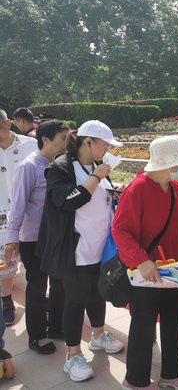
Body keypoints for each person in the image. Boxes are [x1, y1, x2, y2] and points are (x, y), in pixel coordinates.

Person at [112, 135, 178, 390]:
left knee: (172, 322)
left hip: (173, 270)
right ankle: (135, 381)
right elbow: (120, 230)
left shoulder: (176, 187)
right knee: (143, 327)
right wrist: (141, 261)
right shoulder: (137, 189)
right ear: (168, 163)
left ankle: (172, 373)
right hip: (146, 272)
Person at [36, 120, 125, 382]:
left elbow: (100, 197)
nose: (107, 150)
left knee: (97, 293)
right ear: (88, 142)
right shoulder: (61, 167)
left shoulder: (97, 165)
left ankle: (98, 335)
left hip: (100, 247)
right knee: (75, 300)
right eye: (104, 144)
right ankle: (73, 354)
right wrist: (96, 177)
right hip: (76, 249)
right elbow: (67, 202)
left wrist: (112, 191)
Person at [6, 121, 70, 355]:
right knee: (37, 286)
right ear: (45, 139)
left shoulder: (59, 165)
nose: (67, 142)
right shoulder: (29, 166)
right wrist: (12, 237)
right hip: (33, 238)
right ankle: (37, 336)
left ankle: (56, 326)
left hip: (56, 236)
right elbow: (18, 205)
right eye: (63, 138)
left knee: (59, 283)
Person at [0, 109, 38, 327]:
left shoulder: (30, 145)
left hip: (30, 213)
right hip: (2, 216)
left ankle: (38, 299)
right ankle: (6, 300)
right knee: (5, 260)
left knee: (34, 261)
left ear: (8, 124)